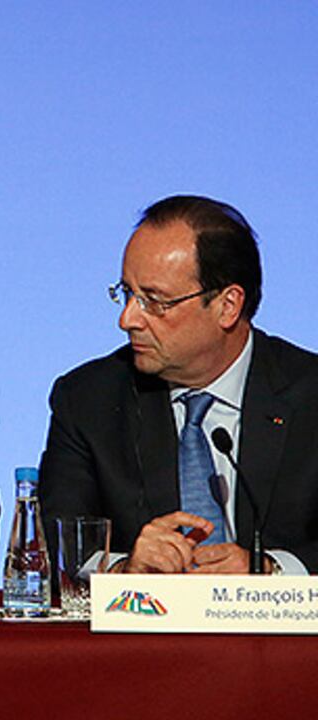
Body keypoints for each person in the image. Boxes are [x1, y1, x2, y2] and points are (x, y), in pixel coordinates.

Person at [39, 194, 318, 575]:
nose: (127, 319)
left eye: (155, 301)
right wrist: (125, 570)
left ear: (227, 305)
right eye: (127, 294)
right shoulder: (88, 399)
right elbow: (57, 544)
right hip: (143, 632)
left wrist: (270, 571)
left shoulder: (310, 395)